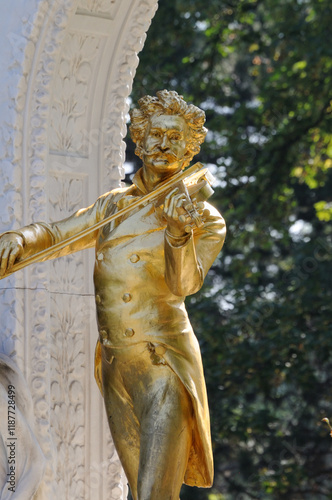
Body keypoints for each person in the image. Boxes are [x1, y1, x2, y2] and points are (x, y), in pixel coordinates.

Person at [0, 90, 226, 500]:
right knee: (142, 492)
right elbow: (57, 235)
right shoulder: (112, 206)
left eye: (175, 138)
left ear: (191, 148)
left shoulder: (203, 218)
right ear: (139, 141)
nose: (163, 145)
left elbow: (185, 285)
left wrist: (178, 234)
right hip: (116, 363)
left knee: (156, 493)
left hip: (164, 360)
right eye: (155, 134)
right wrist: (20, 237)